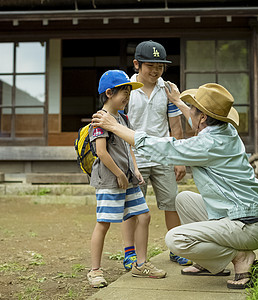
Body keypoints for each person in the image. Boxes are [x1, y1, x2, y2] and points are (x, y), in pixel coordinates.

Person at [92, 82, 258, 290]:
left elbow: (165, 148)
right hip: (240, 213)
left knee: (176, 239)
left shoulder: (209, 144)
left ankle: (240, 257)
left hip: (246, 226)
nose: (189, 112)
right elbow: (196, 120)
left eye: (192, 109)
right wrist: (177, 101)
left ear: (202, 117)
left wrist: (114, 126)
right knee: (183, 199)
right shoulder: (225, 130)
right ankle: (210, 262)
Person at [87, 70, 166, 288]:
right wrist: (119, 174)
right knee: (103, 224)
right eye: (125, 93)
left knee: (144, 216)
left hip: (129, 179)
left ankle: (140, 264)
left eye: (129, 94)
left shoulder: (123, 118)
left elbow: (129, 146)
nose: (128, 98)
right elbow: (102, 152)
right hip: (110, 181)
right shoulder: (99, 119)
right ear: (109, 93)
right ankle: (94, 271)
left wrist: (135, 169)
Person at [121, 40, 191, 269]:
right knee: (133, 208)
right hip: (135, 157)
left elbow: (176, 127)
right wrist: (129, 162)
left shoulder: (167, 89)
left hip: (163, 156)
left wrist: (179, 159)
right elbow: (121, 128)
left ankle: (177, 249)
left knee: (172, 204)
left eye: (159, 65)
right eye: (150, 65)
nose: (155, 70)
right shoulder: (126, 89)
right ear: (137, 65)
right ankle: (129, 253)